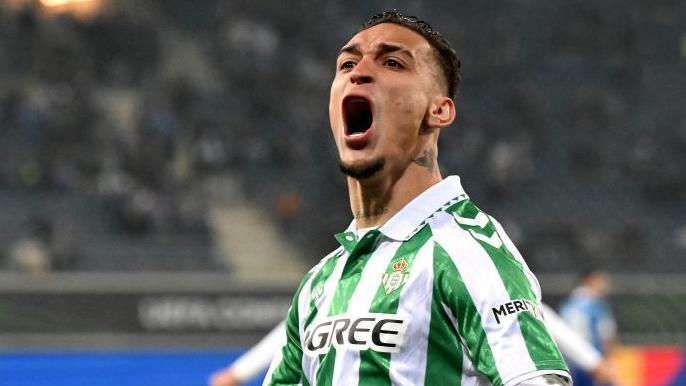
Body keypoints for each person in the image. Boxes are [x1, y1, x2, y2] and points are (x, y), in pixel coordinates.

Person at [264, 10, 570, 386]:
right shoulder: (319, 282)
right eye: (347, 63)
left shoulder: (464, 250)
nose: (358, 72)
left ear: (438, 110)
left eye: (392, 62)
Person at [210, 305, 611, 386]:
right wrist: (242, 371)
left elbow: (531, 310)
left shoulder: (455, 254)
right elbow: (300, 323)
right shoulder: (340, 274)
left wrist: (593, 361)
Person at [559, 270, 618, 386]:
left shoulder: (567, 305)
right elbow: (606, 335)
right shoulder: (596, 305)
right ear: (590, 280)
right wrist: (610, 360)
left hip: (568, 363)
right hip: (594, 365)